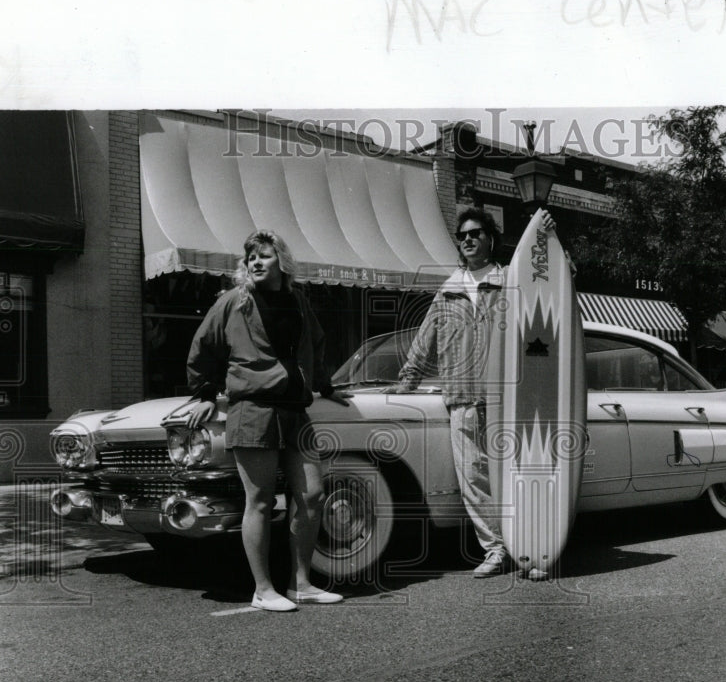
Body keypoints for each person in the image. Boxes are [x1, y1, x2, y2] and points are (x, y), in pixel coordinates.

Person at [185, 230, 351, 612]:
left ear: (283, 262)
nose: (255, 263)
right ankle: (263, 589)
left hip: (296, 411)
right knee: (259, 501)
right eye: (250, 258)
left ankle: (301, 583)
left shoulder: (298, 301)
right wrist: (206, 394)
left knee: (312, 495)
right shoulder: (233, 302)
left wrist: (325, 386)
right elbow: (202, 347)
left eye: (264, 256)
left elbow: (317, 343)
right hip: (253, 410)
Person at [387, 207, 554, 578]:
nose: (467, 240)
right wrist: (406, 382)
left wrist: (550, 242)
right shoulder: (448, 291)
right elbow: (423, 342)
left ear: (490, 239)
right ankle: (496, 550)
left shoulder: (512, 279)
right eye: (462, 235)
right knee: (474, 482)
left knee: (517, 476)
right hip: (461, 399)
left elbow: (555, 283)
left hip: (507, 400)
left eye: (475, 233)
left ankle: (532, 551)